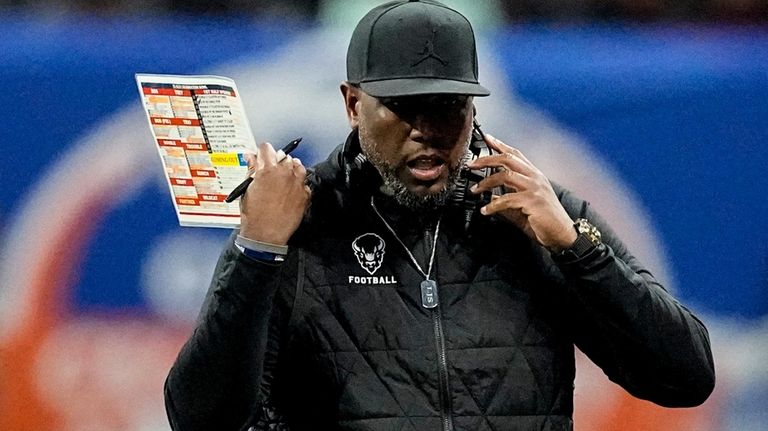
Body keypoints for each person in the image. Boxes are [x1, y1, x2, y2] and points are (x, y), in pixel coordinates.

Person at [163, 1, 715, 430]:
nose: (426, 130)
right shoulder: (297, 224)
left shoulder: (534, 215)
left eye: (447, 105)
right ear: (353, 104)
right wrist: (256, 253)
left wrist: (578, 249)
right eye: (403, 107)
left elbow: (685, 379)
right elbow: (201, 419)